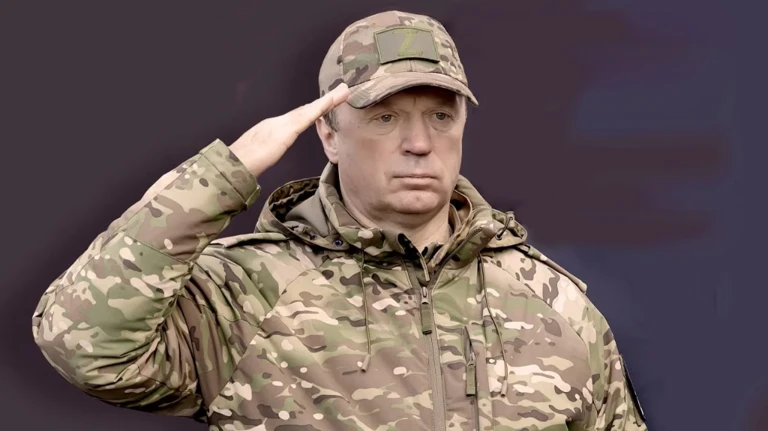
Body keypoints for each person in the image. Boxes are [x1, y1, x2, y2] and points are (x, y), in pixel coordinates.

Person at [31, 9, 648, 431]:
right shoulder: (246, 294)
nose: (419, 143)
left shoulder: (550, 299)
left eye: (440, 116)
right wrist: (223, 175)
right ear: (328, 133)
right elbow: (86, 346)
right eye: (384, 117)